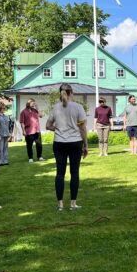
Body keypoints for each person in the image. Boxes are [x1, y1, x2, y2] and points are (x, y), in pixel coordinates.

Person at [46, 84, 88, 212]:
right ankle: (73, 204)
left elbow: (48, 125)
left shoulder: (56, 108)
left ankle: (60, 205)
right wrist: (85, 145)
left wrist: (57, 128)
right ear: (71, 93)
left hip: (59, 143)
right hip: (75, 142)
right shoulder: (78, 107)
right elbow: (82, 128)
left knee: (60, 173)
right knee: (74, 173)